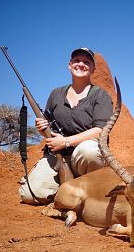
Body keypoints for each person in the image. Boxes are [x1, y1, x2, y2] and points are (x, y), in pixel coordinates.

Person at [19, 47, 113, 204]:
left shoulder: (100, 95)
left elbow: (100, 131)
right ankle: (65, 190)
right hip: (57, 157)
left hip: (84, 159)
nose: (81, 64)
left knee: (89, 151)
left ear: (93, 68)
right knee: (29, 195)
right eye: (76, 61)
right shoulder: (56, 93)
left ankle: (90, 193)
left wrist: (66, 141)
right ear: (69, 65)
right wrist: (42, 128)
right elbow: (49, 129)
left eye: (86, 62)